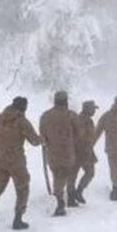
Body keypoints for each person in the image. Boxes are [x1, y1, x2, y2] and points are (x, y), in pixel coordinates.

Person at [0, 96, 42, 230]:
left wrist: (1, 140)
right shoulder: (22, 122)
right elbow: (34, 141)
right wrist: (44, 138)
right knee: (23, 188)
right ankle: (18, 219)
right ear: (23, 108)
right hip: (16, 162)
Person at [38, 90, 79, 218]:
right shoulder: (71, 115)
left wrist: (49, 143)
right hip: (67, 152)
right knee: (64, 175)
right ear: (66, 101)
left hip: (52, 153)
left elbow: (42, 136)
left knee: (57, 175)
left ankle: (60, 199)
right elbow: (79, 133)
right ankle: (61, 201)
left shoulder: (45, 116)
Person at [72, 100, 99, 205]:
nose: (94, 111)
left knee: (76, 175)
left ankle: (75, 194)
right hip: (82, 152)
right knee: (89, 173)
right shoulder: (83, 120)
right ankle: (76, 193)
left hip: (83, 151)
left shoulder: (84, 119)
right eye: (93, 109)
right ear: (88, 109)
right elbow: (81, 137)